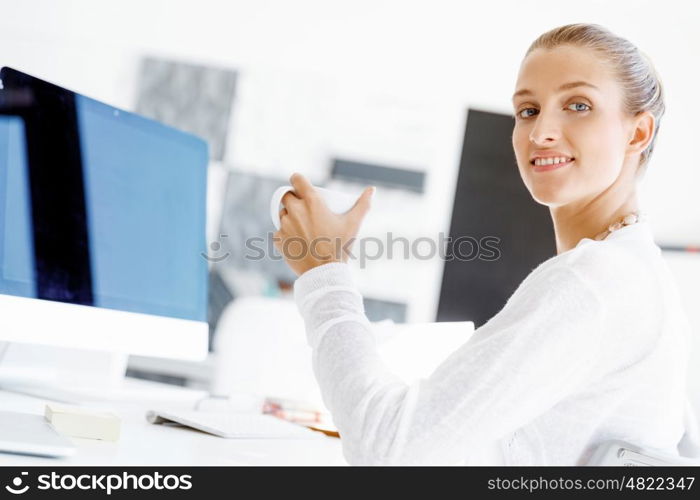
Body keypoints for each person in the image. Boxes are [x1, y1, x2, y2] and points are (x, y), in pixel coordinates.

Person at [272, 23, 694, 465]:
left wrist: (324, 269)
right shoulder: (642, 278)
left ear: (637, 133)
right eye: (528, 110)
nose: (541, 132)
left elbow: (389, 450)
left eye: (578, 105)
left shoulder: (596, 282)